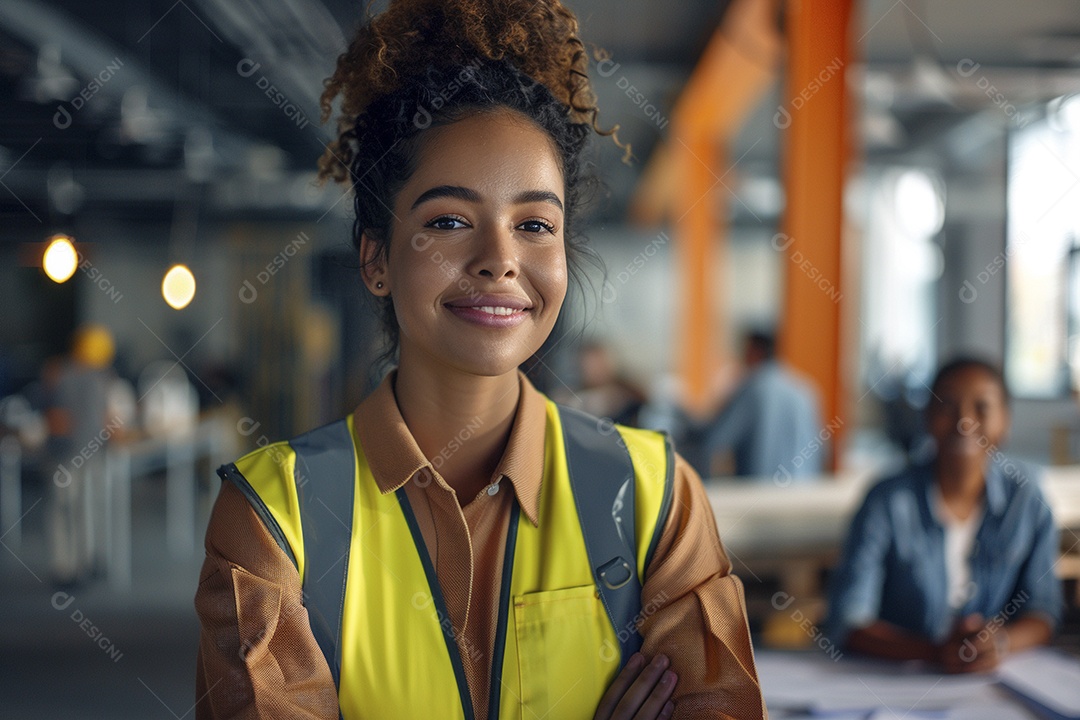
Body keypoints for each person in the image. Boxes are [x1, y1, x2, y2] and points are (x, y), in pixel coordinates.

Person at [193, 1, 766, 718]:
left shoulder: (654, 500)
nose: (500, 260)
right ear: (375, 258)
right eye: (449, 222)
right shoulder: (274, 519)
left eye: (534, 225)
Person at [825, 357, 1063, 673]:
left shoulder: (1028, 499)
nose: (964, 421)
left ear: (1005, 420)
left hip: (993, 684)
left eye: (982, 407)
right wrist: (934, 653)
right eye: (947, 405)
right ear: (927, 417)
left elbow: (1043, 609)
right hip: (897, 682)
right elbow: (848, 620)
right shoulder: (887, 500)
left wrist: (1000, 644)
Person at [693, 330, 824, 480]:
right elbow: (821, 450)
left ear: (755, 352)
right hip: (804, 493)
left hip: (761, 495)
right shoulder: (806, 389)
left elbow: (714, 440)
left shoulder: (753, 389)